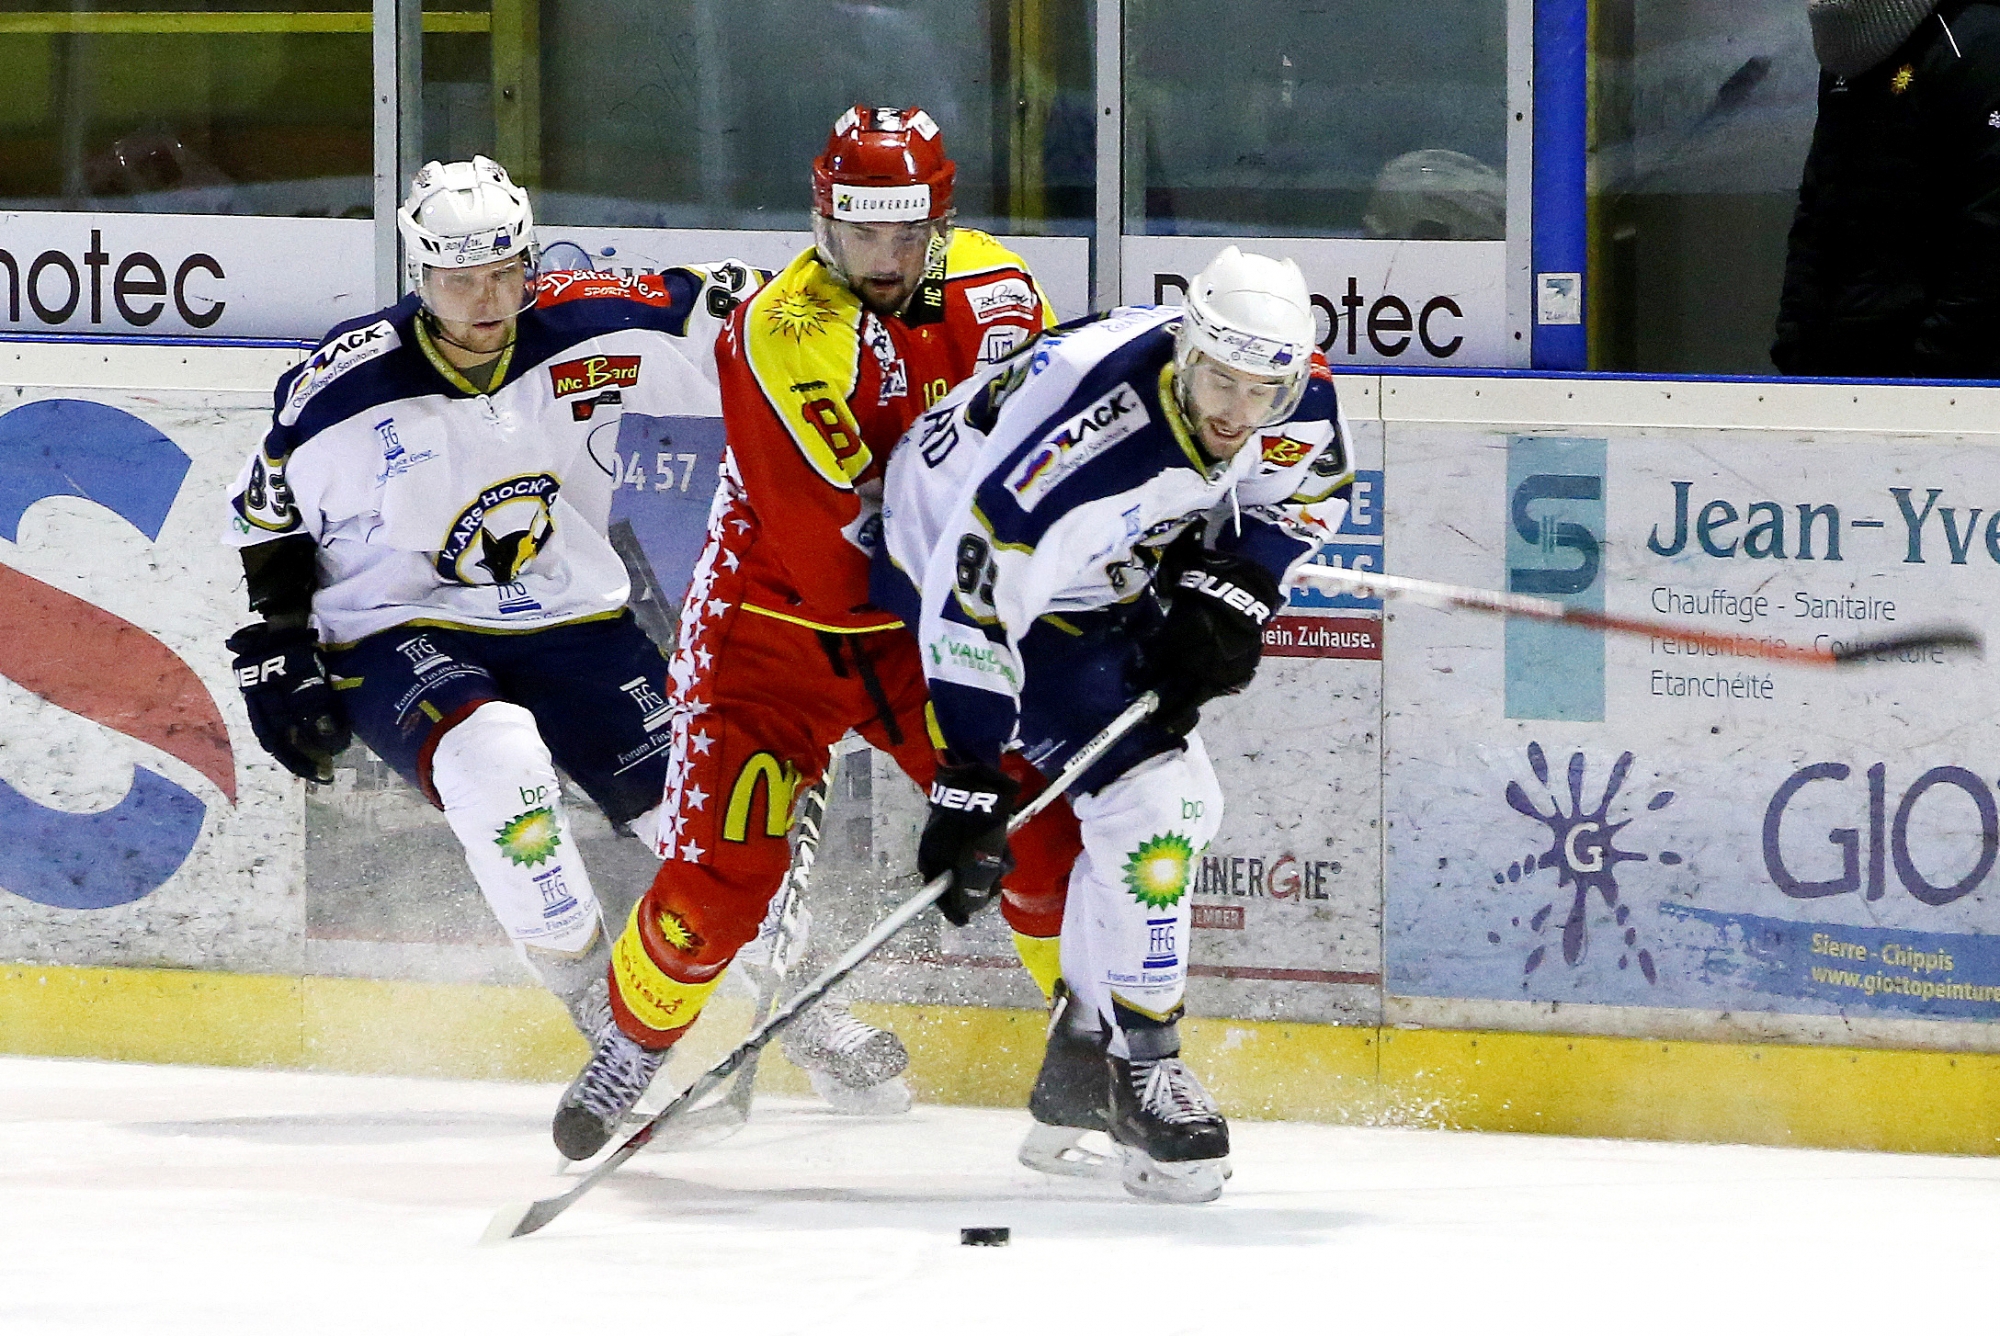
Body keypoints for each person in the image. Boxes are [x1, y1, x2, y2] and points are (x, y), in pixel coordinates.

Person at [553, 105, 1072, 1160]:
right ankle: (631, 1045)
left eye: (906, 231)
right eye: (859, 233)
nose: (883, 259)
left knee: (1042, 831)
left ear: (942, 215)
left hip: (917, 630)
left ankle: (1101, 1046)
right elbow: (840, 563)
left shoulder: (1001, 295)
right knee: (719, 884)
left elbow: (1050, 448)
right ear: (820, 219)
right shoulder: (782, 332)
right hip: (772, 635)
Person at [223, 156, 754, 1053]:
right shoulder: (343, 385)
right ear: (420, 275)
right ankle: (603, 1011)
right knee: (497, 765)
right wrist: (280, 639)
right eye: (459, 279)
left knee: (694, 819)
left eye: (504, 272)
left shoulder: (591, 319)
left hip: (570, 619)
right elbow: (266, 517)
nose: (485, 298)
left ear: (529, 261)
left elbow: (739, 314)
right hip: (398, 626)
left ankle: (807, 1005)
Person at [871, 246, 1355, 1202]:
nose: (1235, 413)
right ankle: (1142, 1066)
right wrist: (970, 774)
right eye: (1218, 381)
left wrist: (1242, 580)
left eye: (1262, 391)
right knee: (1159, 810)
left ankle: (1083, 1053)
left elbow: (1303, 496)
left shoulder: (1287, 392)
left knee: (1184, 807)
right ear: (1183, 347)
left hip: (1098, 565)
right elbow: (973, 597)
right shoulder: (1084, 447)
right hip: (961, 557)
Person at [1774, 0, 2000, 376]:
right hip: (1837, 372)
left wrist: (1931, 373)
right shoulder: (1847, 48)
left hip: (1940, 386)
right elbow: (1818, 208)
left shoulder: (1977, 44)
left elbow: (1989, 233)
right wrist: (1796, 348)